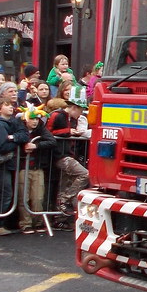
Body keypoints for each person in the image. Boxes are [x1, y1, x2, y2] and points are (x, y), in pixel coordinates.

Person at [46, 89, 89, 220]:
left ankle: (60, 218)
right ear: (75, 107)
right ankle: (65, 198)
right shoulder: (57, 115)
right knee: (85, 174)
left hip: (68, 153)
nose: (82, 113)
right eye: (81, 110)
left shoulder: (72, 119)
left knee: (64, 184)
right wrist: (68, 131)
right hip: (59, 155)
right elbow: (47, 132)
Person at [0, 98, 28, 235]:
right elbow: (2, 146)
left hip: (10, 163)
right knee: (5, 193)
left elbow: (25, 135)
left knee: (5, 193)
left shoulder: (15, 121)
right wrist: (16, 142)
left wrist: (13, 137)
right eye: (7, 105)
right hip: (1, 164)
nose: (11, 107)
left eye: (11, 105)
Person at [19, 106, 55, 234]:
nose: (35, 122)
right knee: (24, 196)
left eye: (37, 119)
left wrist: (36, 145)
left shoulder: (41, 129)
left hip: (37, 166)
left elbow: (52, 141)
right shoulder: (20, 128)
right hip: (23, 167)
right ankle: (26, 223)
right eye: (32, 119)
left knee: (38, 197)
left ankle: (38, 221)